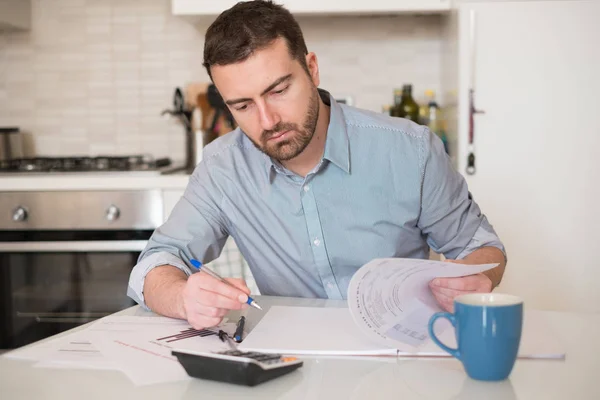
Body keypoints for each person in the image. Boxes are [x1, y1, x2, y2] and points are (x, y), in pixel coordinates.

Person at [128, 0, 506, 330]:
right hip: (291, 364)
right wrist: (182, 296)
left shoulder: (411, 150)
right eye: (242, 106)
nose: (267, 120)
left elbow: (481, 247)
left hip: (402, 358)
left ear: (312, 69)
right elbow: (156, 262)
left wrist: (475, 278)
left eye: (278, 91)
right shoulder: (222, 167)